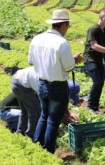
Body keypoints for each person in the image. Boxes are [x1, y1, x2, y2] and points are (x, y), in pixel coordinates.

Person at [28, 9, 82, 153]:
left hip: (41, 83)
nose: (67, 29)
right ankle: (48, 152)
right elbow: (69, 67)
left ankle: (36, 146)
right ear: (63, 25)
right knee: (53, 120)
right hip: (57, 87)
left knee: (44, 116)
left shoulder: (37, 38)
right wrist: (76, 59)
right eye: (68, 26)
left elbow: (31, 61)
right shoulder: (62, 43)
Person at [11, 67, 40, 139]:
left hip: (15, 81)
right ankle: (30, 136)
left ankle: (20, 133)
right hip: (22, 85)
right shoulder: (42, 78)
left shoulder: (41, 70)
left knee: (24, 111)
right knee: (36, 112)